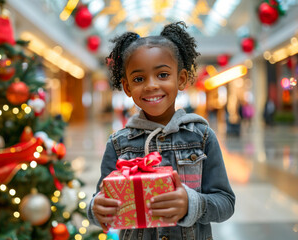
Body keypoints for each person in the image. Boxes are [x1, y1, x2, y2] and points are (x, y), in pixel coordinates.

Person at [87, 21, 235, 240]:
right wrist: (96, 209)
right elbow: (102, 199)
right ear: (127, 87)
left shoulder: (202, 137)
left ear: (181, 79)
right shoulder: (118, 143)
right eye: (138, 79)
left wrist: (191, 204)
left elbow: (225, 203)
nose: (151, 85)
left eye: (163, 75)